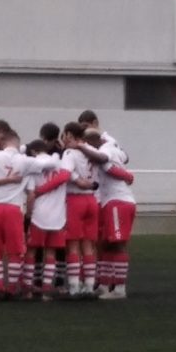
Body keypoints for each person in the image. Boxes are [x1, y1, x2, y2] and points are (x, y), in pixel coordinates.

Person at [0, 131, 61, 299]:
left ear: (3, 142)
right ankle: (11, 289)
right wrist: (57, 153)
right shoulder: (25, 161)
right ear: (16, 143)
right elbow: (50, 164)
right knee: (15, 252)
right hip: (13, 210)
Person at [76, 129, 137, 300]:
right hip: (113, 201)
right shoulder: (113, 147)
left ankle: (119, 288)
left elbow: (105, 162)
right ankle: (104, 285)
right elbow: (125, 158)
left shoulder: (104, 151)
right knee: (107, 244)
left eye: (86, 142)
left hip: (118, 201)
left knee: (117, 244)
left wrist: (80, 146)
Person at [21, 139, 72, 300]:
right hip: (58, 216)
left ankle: (29, 290)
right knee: (51, 252)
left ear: (34, 152)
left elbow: (30, 194)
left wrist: (27, 215)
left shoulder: (33, 167)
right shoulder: (60, 165)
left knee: (31, 250)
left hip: (38, 215)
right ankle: (46, 291)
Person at [60, 122, 101, 296]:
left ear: (69, 134)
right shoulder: (92, 151)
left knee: (73, 244)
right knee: (88, 244)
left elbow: (65, 173)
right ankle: (89, 285)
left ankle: (74, 285)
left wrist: (78, 180)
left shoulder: (70, 153)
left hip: (75, 199)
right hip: (92, 200)